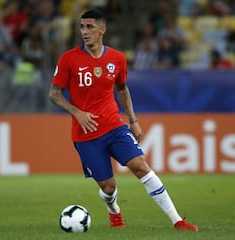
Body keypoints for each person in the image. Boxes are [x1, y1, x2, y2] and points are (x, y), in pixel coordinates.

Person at [49, 9, 199, 231]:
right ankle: (114, 211)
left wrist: (133, 119)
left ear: (103, 29)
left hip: (114, 126)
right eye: (82, 27)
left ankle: (177, 220)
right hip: (86, 134)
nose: (84, 31)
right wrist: (77, 112)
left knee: (141, 166)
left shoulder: (117, 58)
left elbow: (122, 89)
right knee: (108, 187)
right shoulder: (69, 59)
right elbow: (54, 94)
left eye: (90, 27)